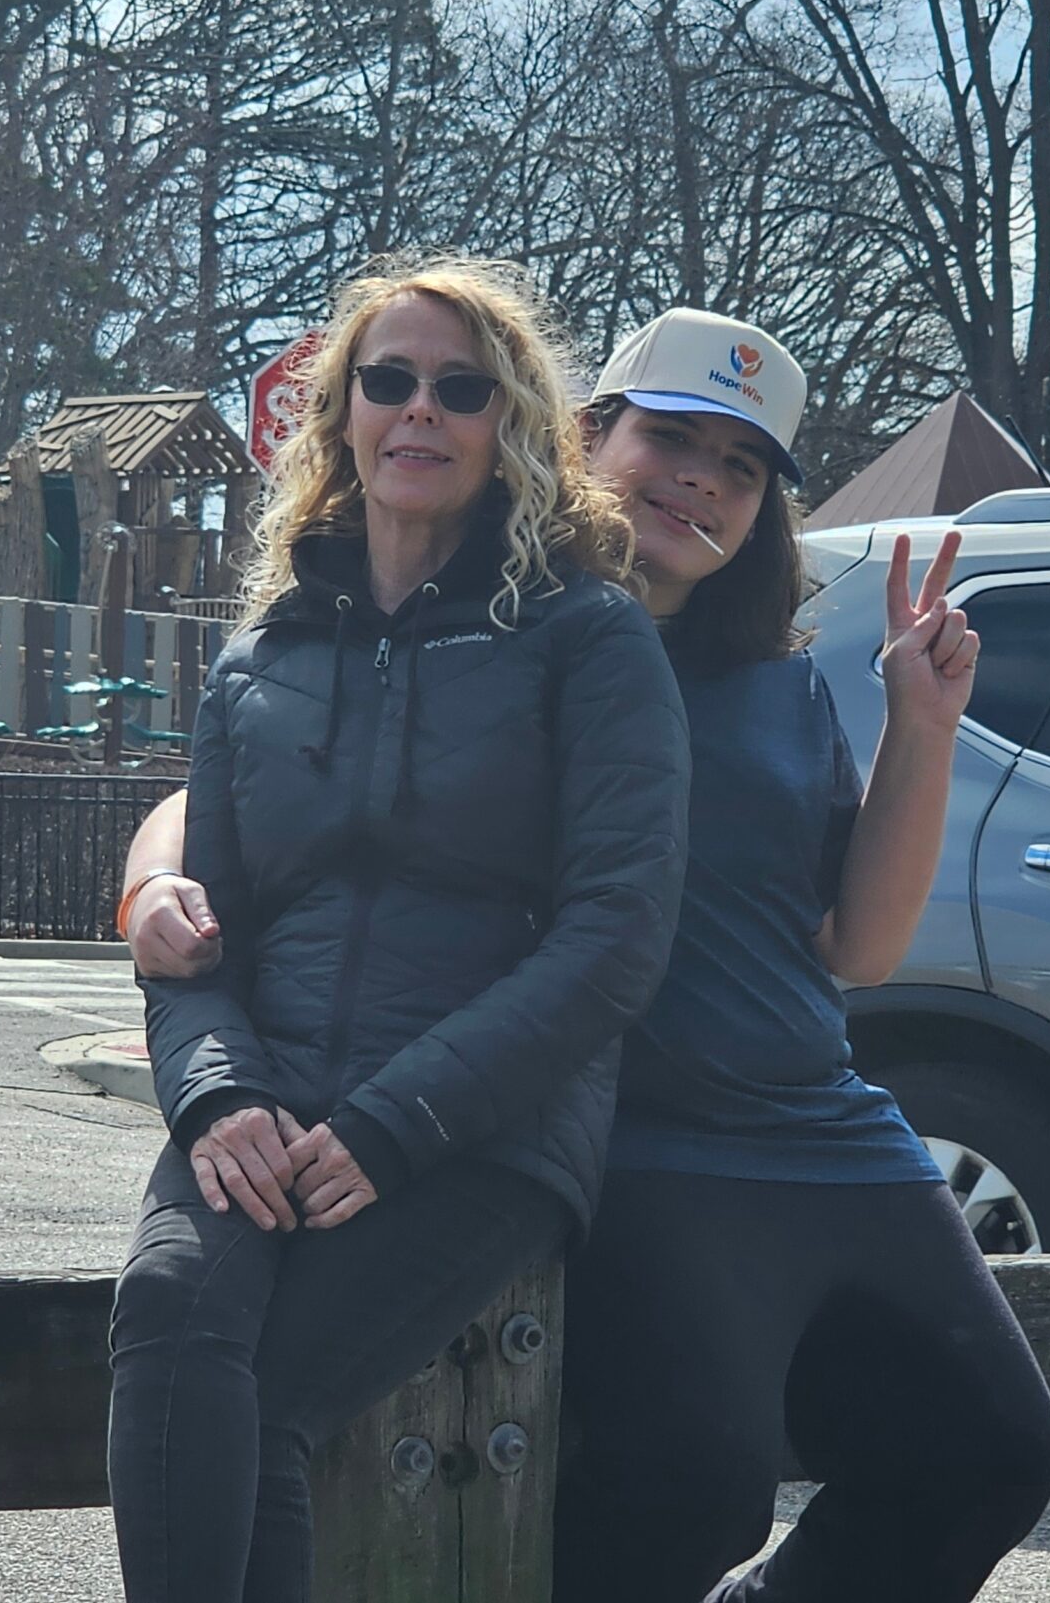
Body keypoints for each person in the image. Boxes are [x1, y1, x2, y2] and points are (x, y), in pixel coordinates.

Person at [120, 307, 1050, 1601]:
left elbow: (862, 943)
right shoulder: (516, 632)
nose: (702, 480)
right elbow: (291, 788)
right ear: (580, 437)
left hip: (822, 1121)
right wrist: (152, 872)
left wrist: (922, 724)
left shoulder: (773, 678)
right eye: (671, 439)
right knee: (692, 1488)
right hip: (641, 1132)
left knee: (993, 1452)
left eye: (741, 467)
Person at [104, 257, 691, 1603]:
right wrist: (215, 1097)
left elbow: (616, 937)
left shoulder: (588, 637)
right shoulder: (259, 657)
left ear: (509, 430)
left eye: (459, 389)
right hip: (266, 1098)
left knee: (270, 1395)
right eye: (389, 380)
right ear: (342, 413)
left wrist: (395, 1122)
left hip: (481, 1127)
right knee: (174, 1318)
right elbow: (197, 938)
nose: (419, 408)